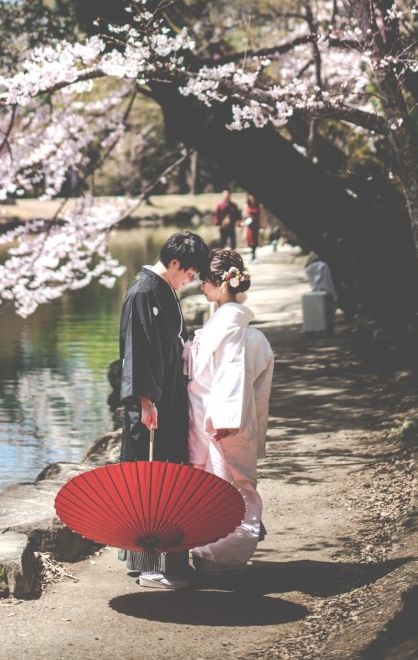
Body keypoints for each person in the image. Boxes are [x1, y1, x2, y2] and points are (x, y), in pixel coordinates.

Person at [118, 230, 210, 590]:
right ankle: (147, 565)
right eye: (189, 272)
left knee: (168, 478)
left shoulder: (164, 291)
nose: (192, 279)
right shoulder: (143, 292)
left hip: (167, 398)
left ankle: (166, 560)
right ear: (174, 263)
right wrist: (144, 400)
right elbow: (137, 349)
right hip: (150, 405)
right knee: (147, 482)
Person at [187, 248, 274, 579]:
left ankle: (224, 560)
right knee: (223, 485)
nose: (201, 289)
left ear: (222, 284)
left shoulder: (232, 325)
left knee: (229, 486)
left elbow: (232, 373)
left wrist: (224, 420)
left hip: (223, 421)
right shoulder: (236, 325)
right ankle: (217, 555)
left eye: (206, 283)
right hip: (223, 417)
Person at [243, 194, 262, 260]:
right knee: (250, 241)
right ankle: (252, 254)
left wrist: (261, 225)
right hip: (250, 226)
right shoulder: (247, 205)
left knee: (256, 241)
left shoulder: (258, 205)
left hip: (256, 225)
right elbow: (244, 215)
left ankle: (254, 255)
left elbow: (260, 215)